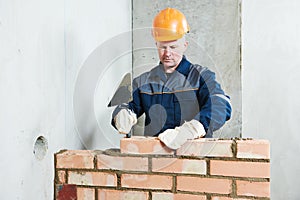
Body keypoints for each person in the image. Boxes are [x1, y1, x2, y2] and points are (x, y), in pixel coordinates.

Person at [111, 7, 232, 150]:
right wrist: (121, 114)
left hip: (195, 161)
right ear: (156, 45)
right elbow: (124, 105)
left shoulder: (201, 77)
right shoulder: (143, 82)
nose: (167, 53)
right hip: (156, 161)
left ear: (184, 46)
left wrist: (194, 127)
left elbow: (221, 104)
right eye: (163, 47)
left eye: (173, 47)